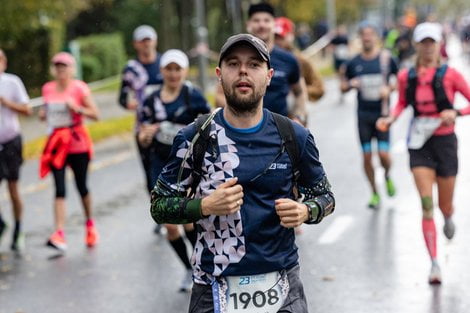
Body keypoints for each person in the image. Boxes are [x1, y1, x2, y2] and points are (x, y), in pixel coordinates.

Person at [150, 33, 335, 313]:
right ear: (219, 75)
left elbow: (325, 197)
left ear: (269, 75)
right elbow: (159, 206)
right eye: (233, 64)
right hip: (213, 286)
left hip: (281, 284)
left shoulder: (293, 136)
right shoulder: (194, 137)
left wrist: (305, 211)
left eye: (254, 65)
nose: (243, 71)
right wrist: (204, 206)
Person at [377, 22, 470, 284]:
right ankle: (434, 264)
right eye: (424, 42)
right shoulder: (408, 76)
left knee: (444, 204)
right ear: (417, 45)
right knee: (427, 205)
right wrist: (390, 119)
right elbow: (402, 104)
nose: (428, 47)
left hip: (445, 144)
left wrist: (457, 113)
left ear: (439, 44)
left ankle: (449, 216)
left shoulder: (450, 74)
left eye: (432, 42)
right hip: (419, 144)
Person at [139, 49, 211, 291]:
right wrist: (146, 135)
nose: (172, 74)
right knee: (170, 225)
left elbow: (208, 126)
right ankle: (189, 268)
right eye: (168, 69)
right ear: (162, 71)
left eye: (177, 69)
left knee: (188, 222)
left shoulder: (193, 96)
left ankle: (199, 263)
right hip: (160, 166)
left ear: (184, 71)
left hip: (188, 166)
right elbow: (142, 133)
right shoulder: (151, 101)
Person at [39, 52, 100, 251]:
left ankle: (90, 224)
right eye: (57, 66)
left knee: (81, 186)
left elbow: (96, 114)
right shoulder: (48, 89)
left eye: (64, 66)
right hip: (57, 143)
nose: (60, 70)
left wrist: (77, 109)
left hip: (77, 142)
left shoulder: (79, 88)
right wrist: (43, 114)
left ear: (72, 68)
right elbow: (45, 114)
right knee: (59, 188)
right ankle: (59, 233)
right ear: (53, 69)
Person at [215, 3, 307, 125]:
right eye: (256, 20)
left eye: (266, 20)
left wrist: (298, 118)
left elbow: (300, 92)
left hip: (278, 132)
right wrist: (242, 111)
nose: (261, 25)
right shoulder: (233, 57)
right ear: (248, 25)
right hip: (240, 129)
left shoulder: (289, 59)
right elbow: (219, 95)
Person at [340, 21, 399, 209]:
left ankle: (387, 175)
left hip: (382, 115)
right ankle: (374, 192)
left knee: (383, 155)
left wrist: (389, 88)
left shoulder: (386, 59)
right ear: (360, 38)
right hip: (363, 116)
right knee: (366, 157)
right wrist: (351, 84)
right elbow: (342, 86)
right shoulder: (354, 62)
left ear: (376, 37)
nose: (367, 38)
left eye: (370, 34)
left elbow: (398, 80)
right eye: (363, 34)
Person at [118, 24, 164, 234]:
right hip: (143, 128)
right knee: (149, 174)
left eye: (149, 39)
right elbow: (122, 97)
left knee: (172, 169)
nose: (146, 44)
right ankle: (159, 213)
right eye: (142, 40)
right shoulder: (131, 69)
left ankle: (175, 209)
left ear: (155, 41)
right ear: (136, 44)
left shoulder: (166, 63)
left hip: (167, 125)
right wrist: (132, 105)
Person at [0, 49, 31, 251]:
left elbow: (28, 110)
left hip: (11, 141)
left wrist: (6, 103)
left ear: (3, 62)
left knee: (13, 189)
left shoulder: (12, 82)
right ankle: (1, 223)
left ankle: (19, 228)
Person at [275, 17, 325, 103]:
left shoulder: (300, 60)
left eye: (280, 37)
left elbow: (319, 89)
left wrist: (298, 91)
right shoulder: (263, 59)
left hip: (293, 114)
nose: (277, 41)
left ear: (290, 36)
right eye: (274, 37)